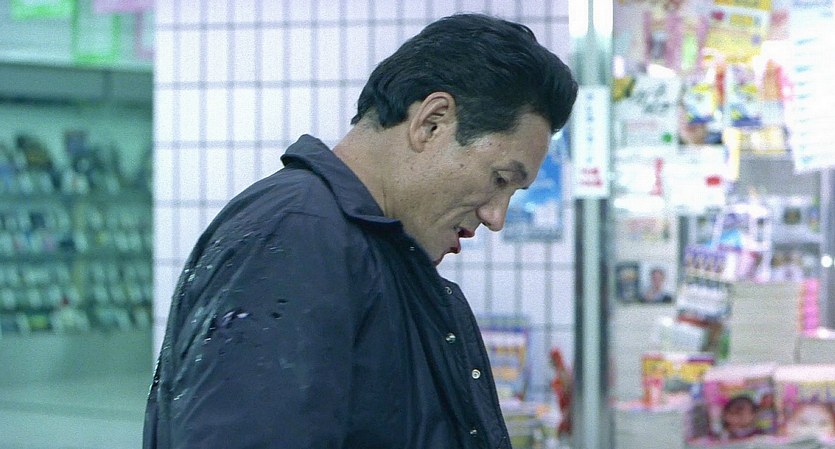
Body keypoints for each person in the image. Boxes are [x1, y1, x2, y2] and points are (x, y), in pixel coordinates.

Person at [143, 13, 577, 449]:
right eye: (500, 179)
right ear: (432, 122)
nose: (496, 217)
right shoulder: (296, 236)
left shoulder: (372, 253)